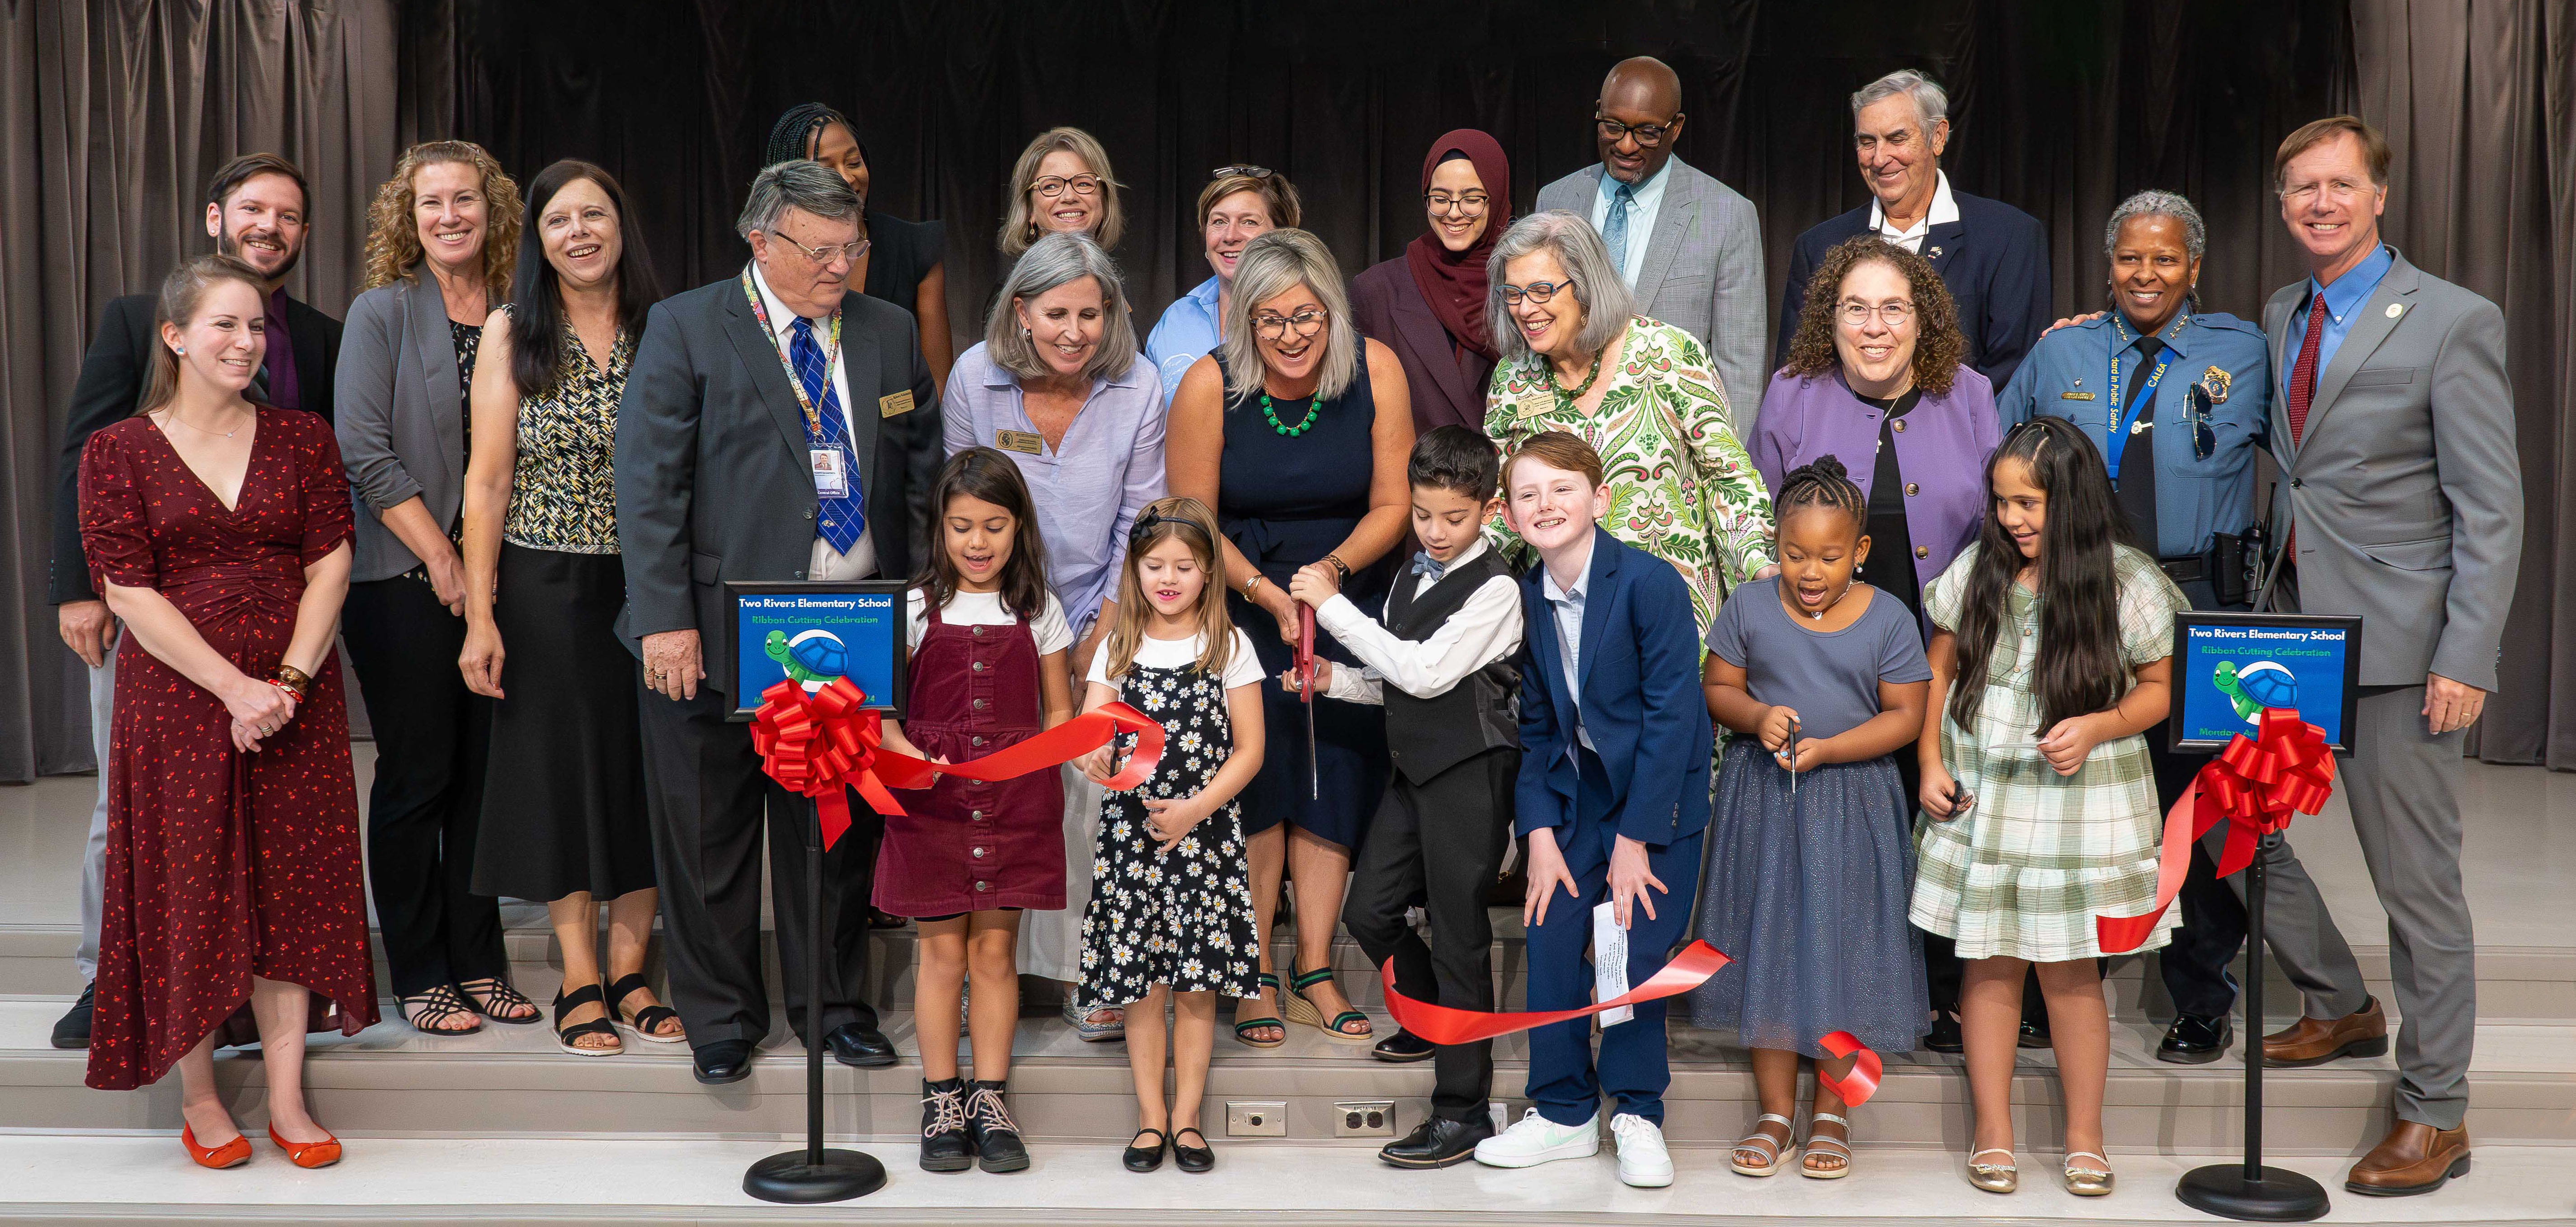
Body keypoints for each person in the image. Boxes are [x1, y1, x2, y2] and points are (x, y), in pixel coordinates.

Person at [2246, 116, 2520, 1197]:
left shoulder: (2455, 320)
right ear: (2282, 204)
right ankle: (2337, 999)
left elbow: (2491, 508)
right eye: (2300, 187)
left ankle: (2434, 1111)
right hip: (2290, 631)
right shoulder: (2280, 312)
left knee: (2417, 889)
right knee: (2238, 830)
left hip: (2405, 647)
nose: (2320, 202)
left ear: (2378, 196)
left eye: (2339, 185)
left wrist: (2469, 653)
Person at [615, 159, 934, 1085]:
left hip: (850, 627)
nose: (842, 266)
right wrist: (665, 621)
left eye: (853, 247)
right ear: (762, 240)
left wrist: (917, 605)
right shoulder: (687, 326)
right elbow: (649, 486)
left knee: (833, 835)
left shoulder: (889, 330)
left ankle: (833, 1005)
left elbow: (916, 474)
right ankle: (721, 1016)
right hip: (715, 632)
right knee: (709, 834)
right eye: (823, 250)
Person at [79, 254, 376, 1168]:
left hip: (295, 696)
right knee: (189, 888)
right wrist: (234, 688)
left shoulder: (302, 438)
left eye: (257, 328)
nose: (246, 342)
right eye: (225, 326)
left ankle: (288, 1097)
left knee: (292, 890)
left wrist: (286, 683)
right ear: (175, 337)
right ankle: (202, 1098)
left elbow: (331, 562)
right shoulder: (118, 450)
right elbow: (128, 591)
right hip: (177, 699)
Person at [45, 152, 343, 1051]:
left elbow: (327, 499)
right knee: (132, 813)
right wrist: (79, 589)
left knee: (274, 826)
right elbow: (82, 452)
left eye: (289, 216)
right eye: (254, 209)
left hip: (284, 625)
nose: (270, 226)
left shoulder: (323, 335)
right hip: (159, 616)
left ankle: (256, 986)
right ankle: (115, 977)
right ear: (216, 217)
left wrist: (293, 666)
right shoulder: (142, 317)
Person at [1997, 189, 2272, 1067]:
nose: (2144, 274)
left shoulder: (2246, 353)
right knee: (2074, 805)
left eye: (2164, 259)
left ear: (2194, 268)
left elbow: (2304, 471)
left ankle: (2203, 994)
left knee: (2201, 810)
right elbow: (1998, 452)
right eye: (2129, 259)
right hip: (2085, 601)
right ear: (2107, 266)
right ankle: (2061, 983)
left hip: (2204, 606)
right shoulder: (2062, 350)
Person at [1911, 416, 2190, 1199]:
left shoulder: (2127, 580)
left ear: (2071, 499)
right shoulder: (1979, 571)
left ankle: (2084, 1137)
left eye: (2029, 503)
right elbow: (1938, 671)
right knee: (1991, 962)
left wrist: (2098, 724)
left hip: (2084, 794)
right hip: (1987, 789)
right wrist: (1931, 760)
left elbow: (2161, 689)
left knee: (2072, 974)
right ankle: (1992, 1132)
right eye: (2002, 503)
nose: (2012, 519)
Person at [1166, 228, 1414, 1048]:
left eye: (1306, 315)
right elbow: (1194, 514)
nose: (1291, 335)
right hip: (1242, 593)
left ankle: (1314, 964)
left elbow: (1395, 503)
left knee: (1338, 770)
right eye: (1271, 320)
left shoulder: (1376, 369)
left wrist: (1331, 578)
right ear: (1245, 319)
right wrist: (1269, 593)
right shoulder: (1209, 384)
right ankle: (1256, 968)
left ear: (1331, 311)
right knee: (1261, 769)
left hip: (1348, 587)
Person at [1757, 234, 2004, 1053]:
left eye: (1893, 307)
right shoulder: (1793, 393)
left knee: (1937, 820)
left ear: (1923, 319)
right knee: (1844, 830)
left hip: (1944, 653)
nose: (1874, 326)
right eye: (1855, 308)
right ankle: (1837, 995)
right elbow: (1768, 531)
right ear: (1828, 320)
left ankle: (1939, 994)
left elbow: (1998, 524)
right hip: (1828, 658)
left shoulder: (1968, 393)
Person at [454, 160, 678, 1057]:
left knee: (646, 773)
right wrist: (479, 613)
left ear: (622, 226)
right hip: (546, 587)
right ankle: (579, 974)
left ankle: (634, 969)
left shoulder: (671, 327)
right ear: (536, 239)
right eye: (559, 220)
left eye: (596, 213)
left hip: (655, 586)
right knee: (560, 779)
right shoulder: (514, 330)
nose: (580, 231)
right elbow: (487, 478)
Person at [942, 231, 1167, 1042]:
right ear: (1020, 312)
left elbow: (1141, 522)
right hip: (995, 605)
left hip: (1107, 608)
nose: (1076, 331)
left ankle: (1086, 970)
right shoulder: (976, 374)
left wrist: (1091, 643)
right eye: (1058, 313)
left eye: (1092, 313)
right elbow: (963, 506)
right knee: (991, 790)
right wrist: (1026, 633)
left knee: (1091, 788)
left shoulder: (1139, 384)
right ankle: (982, 970)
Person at [337, 141, 540, 1038]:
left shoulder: (521, 313)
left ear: (492, 210)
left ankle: (479, 957)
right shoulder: (381, 313)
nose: (450, 215)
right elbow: (365, 454)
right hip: (401, 581)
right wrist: (449, 566)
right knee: (421, 774)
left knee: (486, 779)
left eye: (466, 199)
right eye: (432, 203)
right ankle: (420, 967)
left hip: (505, 581)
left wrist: (485, 577)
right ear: (407, 218)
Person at [1471, 432, 1707, 1189]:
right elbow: (1538, 724)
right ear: (1509, 511)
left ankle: (1636, 1111)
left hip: (1655, 796)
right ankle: (1565, 1111)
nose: (1546, 504)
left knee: (1633, 951)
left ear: (1600, 498)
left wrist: (1637, 836)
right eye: (1528, 493)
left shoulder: (1649, 583)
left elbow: (1674, 718)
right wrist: (1536, 831)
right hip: (1578, 796)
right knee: (1549, 930)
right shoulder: (1529, 594)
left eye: (1562, 488)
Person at [1690, 455, 1932, 1181]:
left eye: (1830, 555)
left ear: (1859, 550)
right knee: (1770, 941)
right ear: (1776, 543)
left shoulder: (1888, 615)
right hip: (1763, 799)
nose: (1811, 570)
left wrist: (1830, 749)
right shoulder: (1749, 606)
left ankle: (1832, 1108)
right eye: (1796, 554)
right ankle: (1774, 1109)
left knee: (1843, 944)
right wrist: (1758, 715)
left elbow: (1906, 717)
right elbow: (1718, 688)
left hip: (1853, 801)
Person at [1290, 425, 1523, 1168]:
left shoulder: (1499, 590)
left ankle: (1463, 1109)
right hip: (1414, 769)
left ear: (1488, 509)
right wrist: (1335, 680)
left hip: (1470, 775)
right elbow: (1397, 677)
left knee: (1460, 934)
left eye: (1454, 517)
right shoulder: (1408, 575)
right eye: (1423, 514)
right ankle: (1428, 1016)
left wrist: (1330, 607)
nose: (1436, 530)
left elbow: (1425, 673)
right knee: (1369, 910)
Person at [873, 449, 1073, 1175]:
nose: (978, 543)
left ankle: (990, 1098)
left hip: (1016, 800)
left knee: (996, 954)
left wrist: (1066, 753)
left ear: (1019, 527)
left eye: (994, 526)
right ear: (941, 529)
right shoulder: (915, 606)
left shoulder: (1039, 608)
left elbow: (1058, 712)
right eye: (962, 527)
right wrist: (907, 755)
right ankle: (940, 1098)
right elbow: (885, 710)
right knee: (942, 953)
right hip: (932, 804)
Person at [1071, 497, 1267, 1176]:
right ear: (1135, 569)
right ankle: (1151, 1117)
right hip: (1132, 846)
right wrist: (1093, 758)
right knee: (1142, 988)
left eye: (1185, 565)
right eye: (1156, 564)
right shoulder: (1118, 647)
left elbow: (1249, 751)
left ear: (1209, 573)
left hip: (1204, 840)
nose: (1170, 577)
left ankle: (1188, 1118)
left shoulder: (1228, 646)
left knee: (1194, 986)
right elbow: (1091, 738)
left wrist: (1193, 810)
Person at [1481, 210, 1772, 632]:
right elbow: (1502, 505)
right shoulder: (1512, 380)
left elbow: (1728, 479)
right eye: (1513, 294)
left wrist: (1759, 566)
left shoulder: (1669, 354)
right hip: (1564, 625)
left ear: (1586, 288)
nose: (1526, 309)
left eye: (1542, 290)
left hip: (1676, 617)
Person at [1777, 70, 2050, 392]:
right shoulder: (1819, 246)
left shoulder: (2009, 236)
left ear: (1938, 137)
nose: (1880, 158)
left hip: (1964, 438)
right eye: (1868, 142)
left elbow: (2013, 372)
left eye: (1897, 139)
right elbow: (1800, 371)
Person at [1532, 57, 1766, 432]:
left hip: (1670, 449)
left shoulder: (1729, 216)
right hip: (1563, 442)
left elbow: (1740, 365)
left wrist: (1721, 466)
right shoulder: (1556, 199)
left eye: (1647, 133)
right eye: (1613, 126)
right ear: (1598, 114)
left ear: (1676, 128)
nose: (1626, 145)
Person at [765, 103, 956, 398]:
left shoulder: (916, 249)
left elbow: (937, 386)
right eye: (827, 169)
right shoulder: (777, 259)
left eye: (853, 163)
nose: (848, 179)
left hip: (898, 433)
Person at [1352, 132, 1510, 437]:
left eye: (1472, 199)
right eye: (1440, 199)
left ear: (1498, 195)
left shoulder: (1525, 286)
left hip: (1511, 478)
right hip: (1416, 480)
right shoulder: (1378, 290)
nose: (1454, 212)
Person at [1142, 166, 1302, 406]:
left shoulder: (1305, 320)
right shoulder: (1176, 319)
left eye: (1249, 222)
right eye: (1219, 221)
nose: (1230, 236)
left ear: (1282, 234)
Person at [998, 127, 1126, 264]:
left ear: (1105, 200)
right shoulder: (1015, 286)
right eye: (1051, 186)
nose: (1069, 197)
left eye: (1083, 184)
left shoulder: (1113, 284)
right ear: (1029, 208)